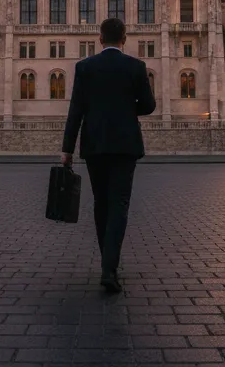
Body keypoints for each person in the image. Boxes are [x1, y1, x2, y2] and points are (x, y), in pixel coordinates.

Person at [60, 17, 156, 293]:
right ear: (124, 39)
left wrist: (67, 149)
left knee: (101, 203)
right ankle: (109, 267)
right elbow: (148, 106)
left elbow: (75, 111)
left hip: (95, 144)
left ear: (100, 39)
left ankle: (107, 264)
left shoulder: (85, 67)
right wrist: (127, 110)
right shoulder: (136, 67)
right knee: (120, 204)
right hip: (125, 144)